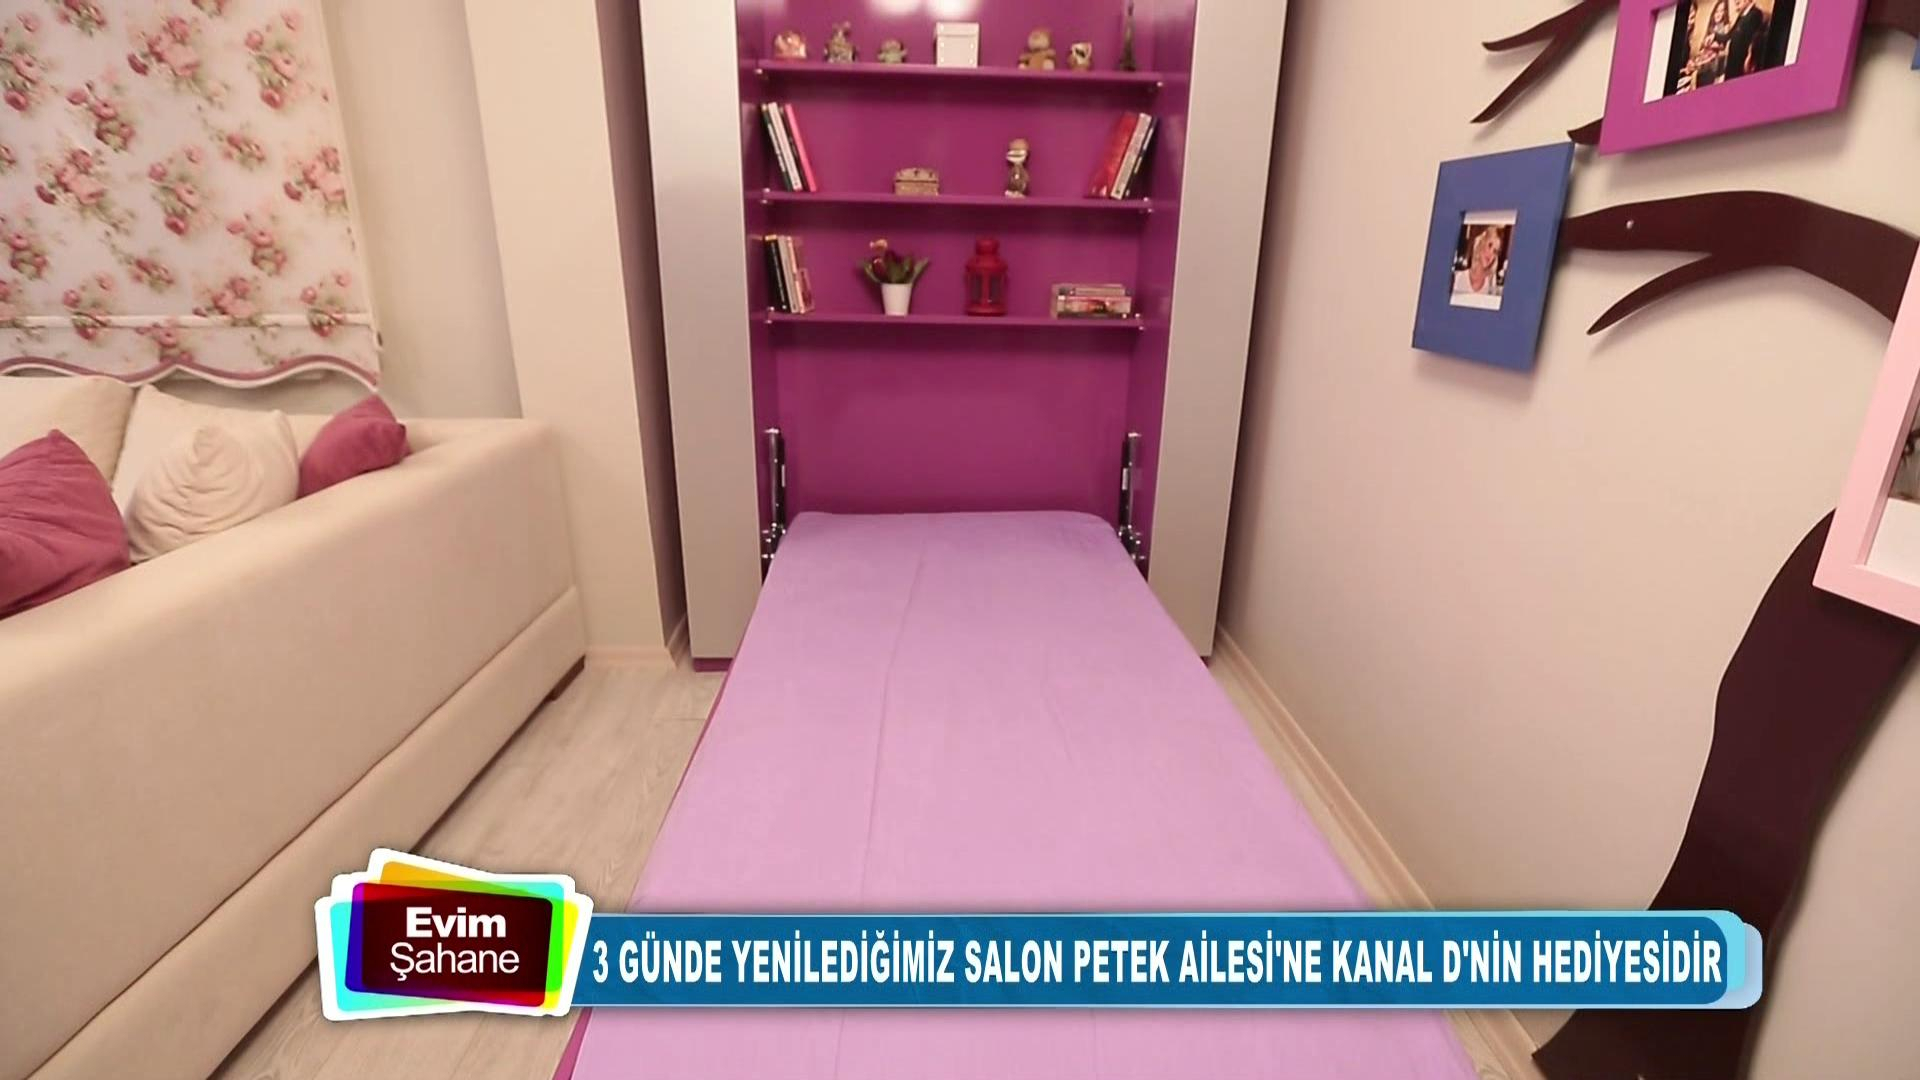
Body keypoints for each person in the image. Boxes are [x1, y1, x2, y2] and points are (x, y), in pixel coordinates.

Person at [1452, 226, 1505, 299]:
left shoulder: (1491, 284)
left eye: (1495, 251)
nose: (1491, 253)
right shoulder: (1458, 277)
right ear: (1482, 243)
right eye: (1489, 245)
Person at [1724, 0, 1770, 81]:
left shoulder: (1756, 14)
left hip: (1740, 68)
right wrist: (1715, 36)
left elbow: (1746, 43)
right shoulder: (1741, 16)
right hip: (1732, 65)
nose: (1735, 1)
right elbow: (1729, 35)